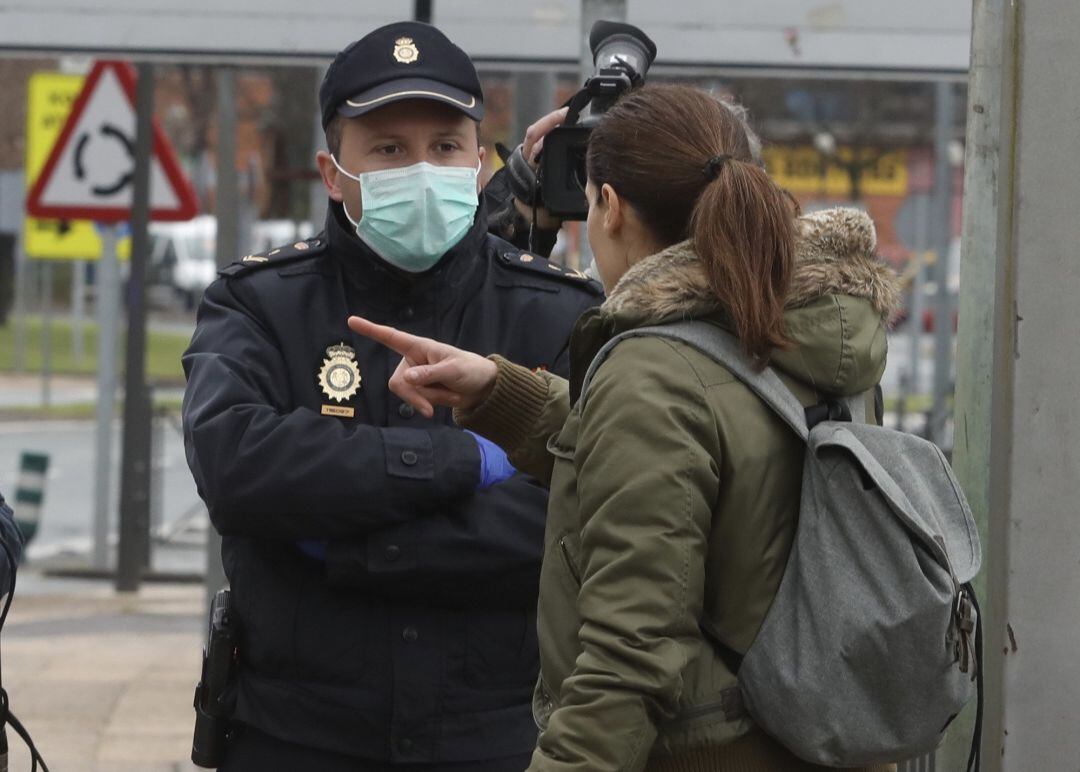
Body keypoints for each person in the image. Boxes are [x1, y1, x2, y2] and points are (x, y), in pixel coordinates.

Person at [349, 84, 901, 771]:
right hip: (827, 735)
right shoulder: (809, 327)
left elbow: (629, 655)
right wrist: (502, 392)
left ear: (610, 206)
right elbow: (728, 466)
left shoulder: (653, 370)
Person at [181, 20, 602, 771]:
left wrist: (350, 539)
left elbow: (577, 516)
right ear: (332, 172)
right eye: (388, 149)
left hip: (499, 742)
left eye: (444, 146)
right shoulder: (259, 303)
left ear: (480, 162)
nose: (421, 169)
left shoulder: (558, 312)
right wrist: (467, 461)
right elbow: (238, 467)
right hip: (296, 741)